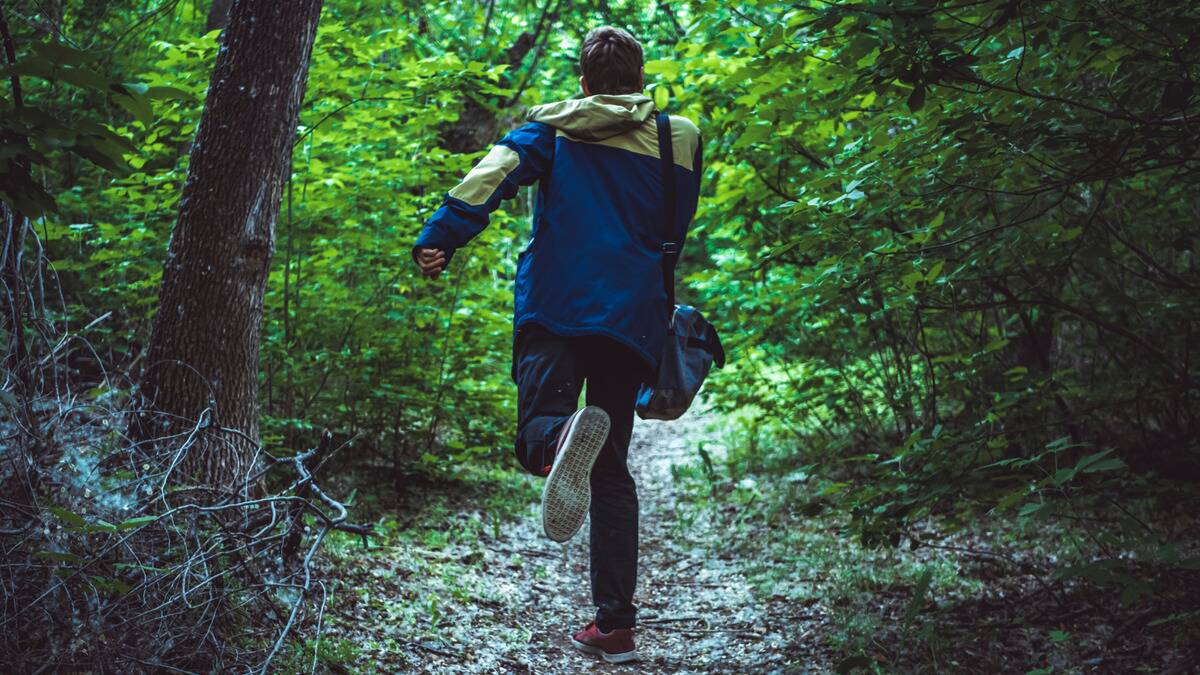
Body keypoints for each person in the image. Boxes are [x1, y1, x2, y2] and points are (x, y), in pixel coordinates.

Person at [412, 25, 702, 664]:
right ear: (638, 75)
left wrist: (440, 236)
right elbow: (675, 224)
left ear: (585, 80)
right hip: (632, 316)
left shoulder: (554, 129)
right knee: (613, 471)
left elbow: (491, 175)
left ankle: (557, 438)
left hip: (557, 305)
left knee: (537, 429)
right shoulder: (676, 136)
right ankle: (616, 625)